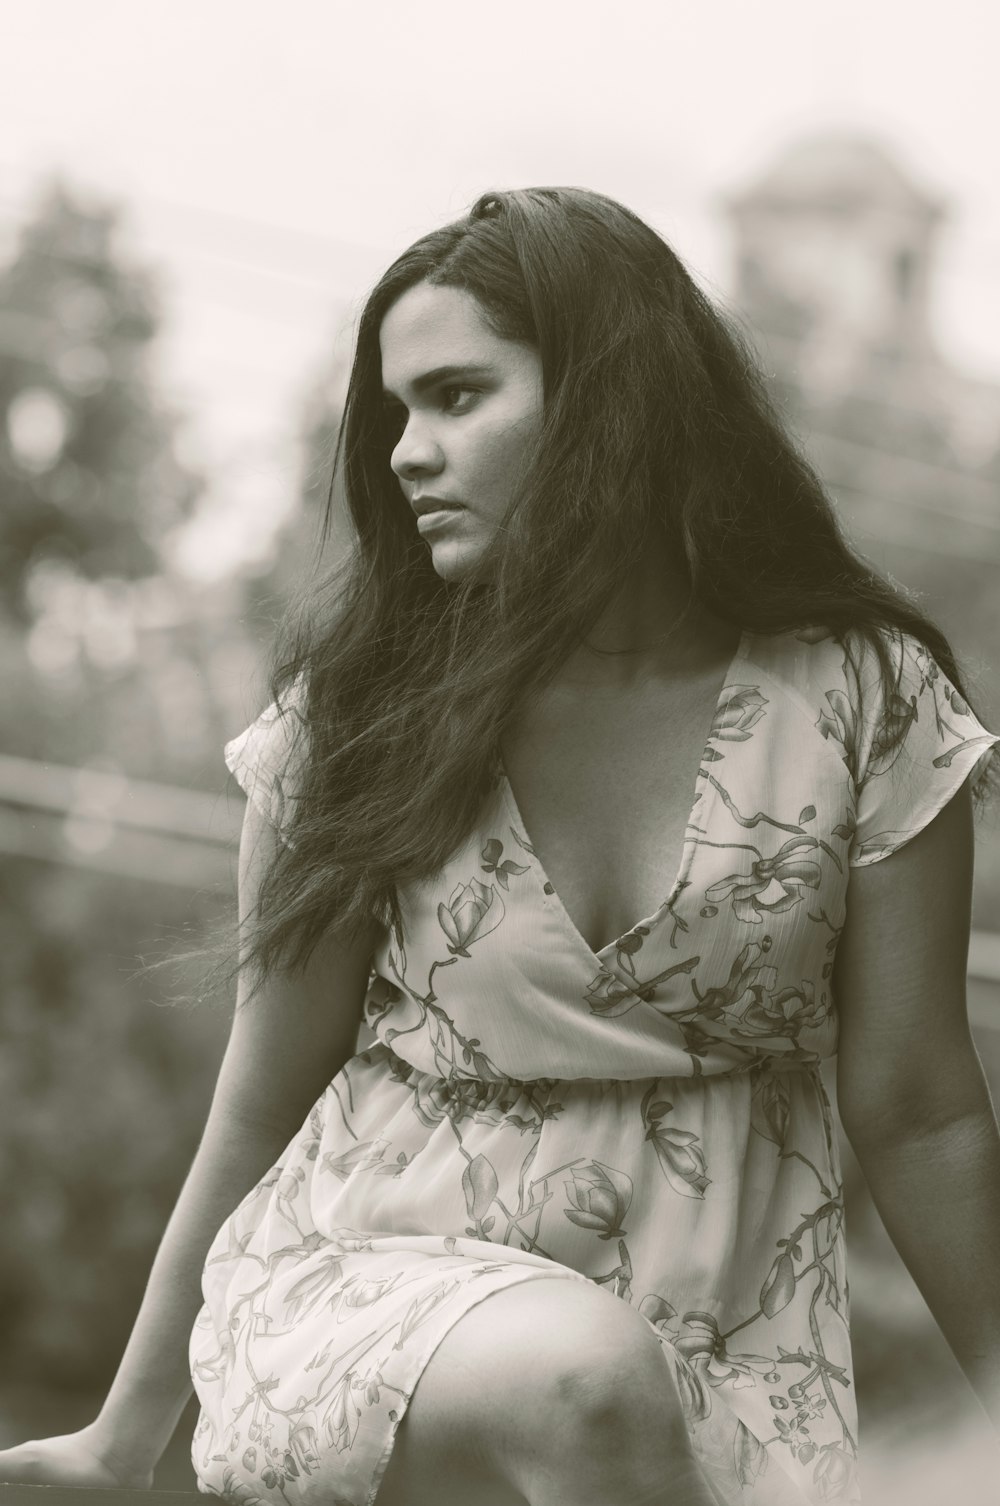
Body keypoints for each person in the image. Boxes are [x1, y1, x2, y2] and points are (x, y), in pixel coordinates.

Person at [1, 186, 998, 1506]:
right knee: (585, 1376)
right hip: (375, 1288)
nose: (409, 449)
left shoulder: (865, 698)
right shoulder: (357, 714)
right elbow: (263, 1091)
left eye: (458, 397)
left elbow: (920, 1107)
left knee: (607, 1388)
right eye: (399, 410)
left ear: (611, 406)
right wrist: (122, 1438)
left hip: (733, 1341)